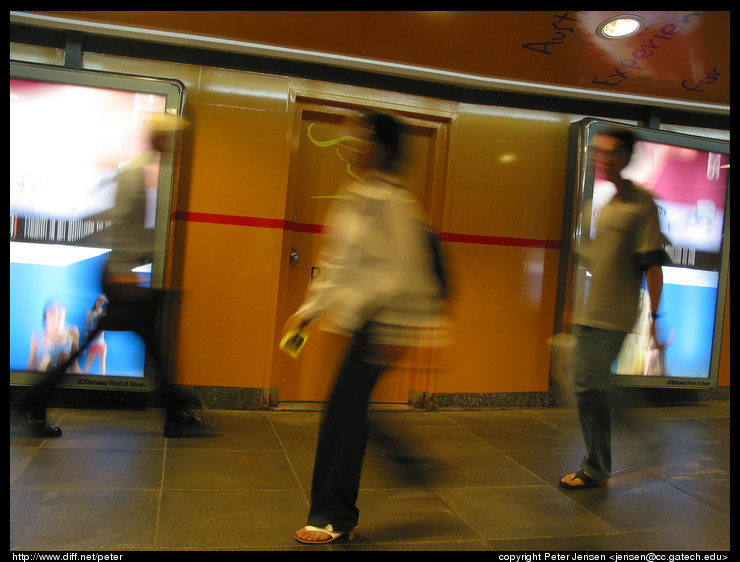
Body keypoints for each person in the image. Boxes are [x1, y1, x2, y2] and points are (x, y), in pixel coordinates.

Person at [284, 111, 447, 544]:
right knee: (347, 412)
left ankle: (334, 517)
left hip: (384, 325)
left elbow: (412, 275)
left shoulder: (394, 204)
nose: (353, 143)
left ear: (383, 146)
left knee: (341, 415)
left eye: (362, 137)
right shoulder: (357, 194)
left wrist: (411, 332)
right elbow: (338, 265)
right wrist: (308, 311)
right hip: (363, 323)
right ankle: (409, 465)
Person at [12, 113, 216, 439]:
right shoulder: (138, 173)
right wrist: (123, 271)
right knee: (151, 345)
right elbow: (120, 222)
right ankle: (32, 401)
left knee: (152, 344)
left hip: (125, 273)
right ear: (159, 138)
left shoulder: (152, 170)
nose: (176, 145)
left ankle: (175, 412)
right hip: (120, 275)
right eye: (171, 138)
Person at [559, 127, 670, 490]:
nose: (602, 159)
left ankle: (638, 425)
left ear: (625, 158)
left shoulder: (643, 205)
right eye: (599, 153)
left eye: (609, 153)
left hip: (617, 312)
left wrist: (655, 318)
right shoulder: (604, 206)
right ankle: (596, 467)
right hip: (591, 310)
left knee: (591, 383)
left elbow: (652, 264)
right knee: (585, 386)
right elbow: (597, 261)